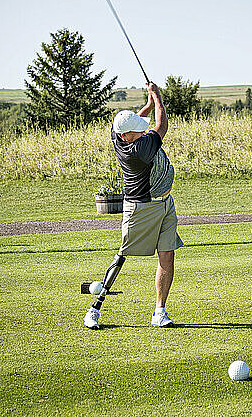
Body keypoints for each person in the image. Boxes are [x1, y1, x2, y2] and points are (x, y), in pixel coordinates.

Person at [84, 82, 183, 330]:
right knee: (123, 255)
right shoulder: (139, 148)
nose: (142, 130)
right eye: (137, 131)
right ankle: (94, 309)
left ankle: (159, 312)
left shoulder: (120, 137)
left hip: (165, 205)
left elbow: (137, 123)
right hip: (142, 209)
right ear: (127, 136)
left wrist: (147, 106)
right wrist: (158, 98)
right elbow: (162, 126)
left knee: (167, 254)